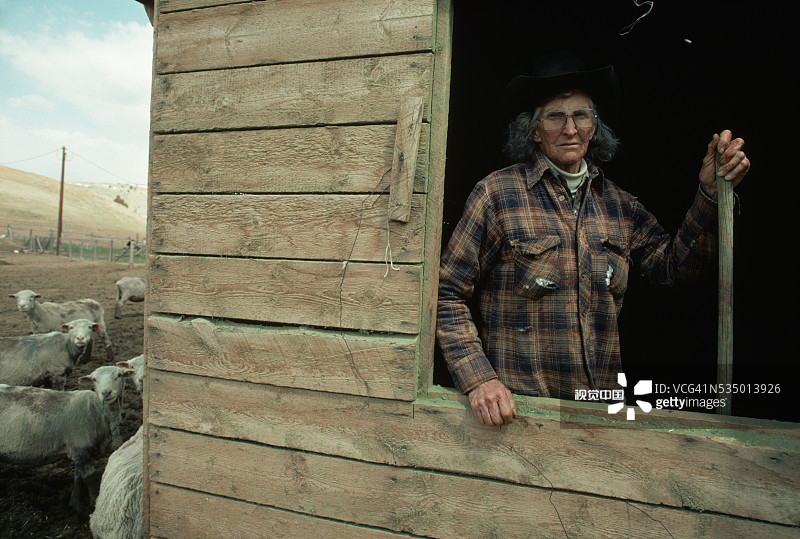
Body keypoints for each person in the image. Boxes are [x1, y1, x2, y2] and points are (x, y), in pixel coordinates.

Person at [436, 51, 750, 426]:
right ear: (534, 129)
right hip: (519, 418)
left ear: (595, 125)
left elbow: (674, 270)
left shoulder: (620, 205)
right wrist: (479, 379)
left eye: (581, 115)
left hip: (601, 417)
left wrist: (709, 195)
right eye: (555, 116)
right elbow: (446, 292)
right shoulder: (497, 194)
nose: (570, 129)